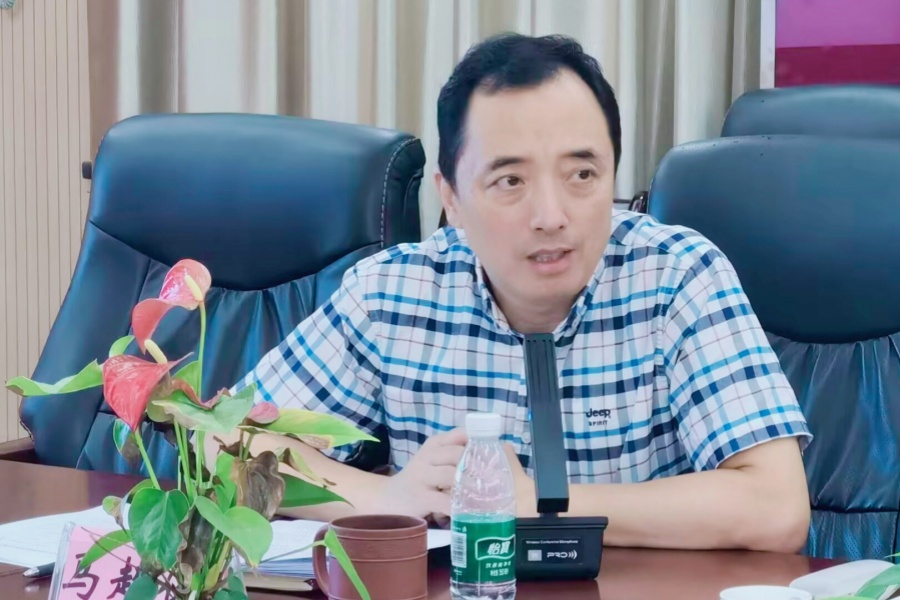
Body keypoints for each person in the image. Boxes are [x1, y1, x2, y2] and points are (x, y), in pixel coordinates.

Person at [214, 32, 812, 552]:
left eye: (582, 174)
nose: (551, 216)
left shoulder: (678, 276)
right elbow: (220, 443)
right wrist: (390, 497)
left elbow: (776, 508)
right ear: (451, 198)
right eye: (510, 180)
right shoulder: (392, 293)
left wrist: (538, 503)